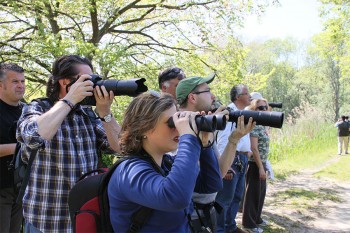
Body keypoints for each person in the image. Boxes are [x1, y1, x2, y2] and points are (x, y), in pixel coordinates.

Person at [16, 55, 121, 232]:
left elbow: (120, 147)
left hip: (84, 217)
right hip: (46, 220)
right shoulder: (39, 108)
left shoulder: (87, 115)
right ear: (65, 83)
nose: (93, 85)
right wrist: (69, 101)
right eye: (87, 80)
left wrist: (105, 114)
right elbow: (33, 136)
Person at [108, 93, 219, 232]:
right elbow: (176, 197)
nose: (178, 128)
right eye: (171, 123)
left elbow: (210, 185)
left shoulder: (166, 164)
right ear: (144, 128)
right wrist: (188, 138)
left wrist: (204, 145)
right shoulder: (129, 172)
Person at [176, 75, 255, 232]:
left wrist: (234, 140)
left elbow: (218, 172)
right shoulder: (176, 128)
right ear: (192, 97)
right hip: (186, 216)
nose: (213, 96)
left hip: (205, 213)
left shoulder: (205, 124)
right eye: (208, 91)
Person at [215, 84, 252, 233]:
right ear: (238, 97)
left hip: (241, 159)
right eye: (246, 93)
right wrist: (226, 164)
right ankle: (219, 230)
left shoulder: (242, 112)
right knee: (224, 199)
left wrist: (247, 152)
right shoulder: (230, 113)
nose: (249, 96)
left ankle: (230, 227)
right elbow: (223, 138)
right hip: (231, 159)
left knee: (236, 196)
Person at [0, 63, 25, 233]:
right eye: (15, 81)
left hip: (21, 188)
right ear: (1, 85)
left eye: (23, 81)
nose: (21, 85)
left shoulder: (28, 110)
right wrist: (21, 148)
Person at [242, 98, 271, 233]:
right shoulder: (254, 125)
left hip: (262, 163)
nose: (264, 110)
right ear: (254, 110)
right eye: (260, 108)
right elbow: (254, 148)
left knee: (261, 192)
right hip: (254, 164)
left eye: (265, 107)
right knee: (253, 194)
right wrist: (260, 167)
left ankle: (257, 219)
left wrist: (265, 166)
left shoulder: (264, 125)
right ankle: (249, 223)